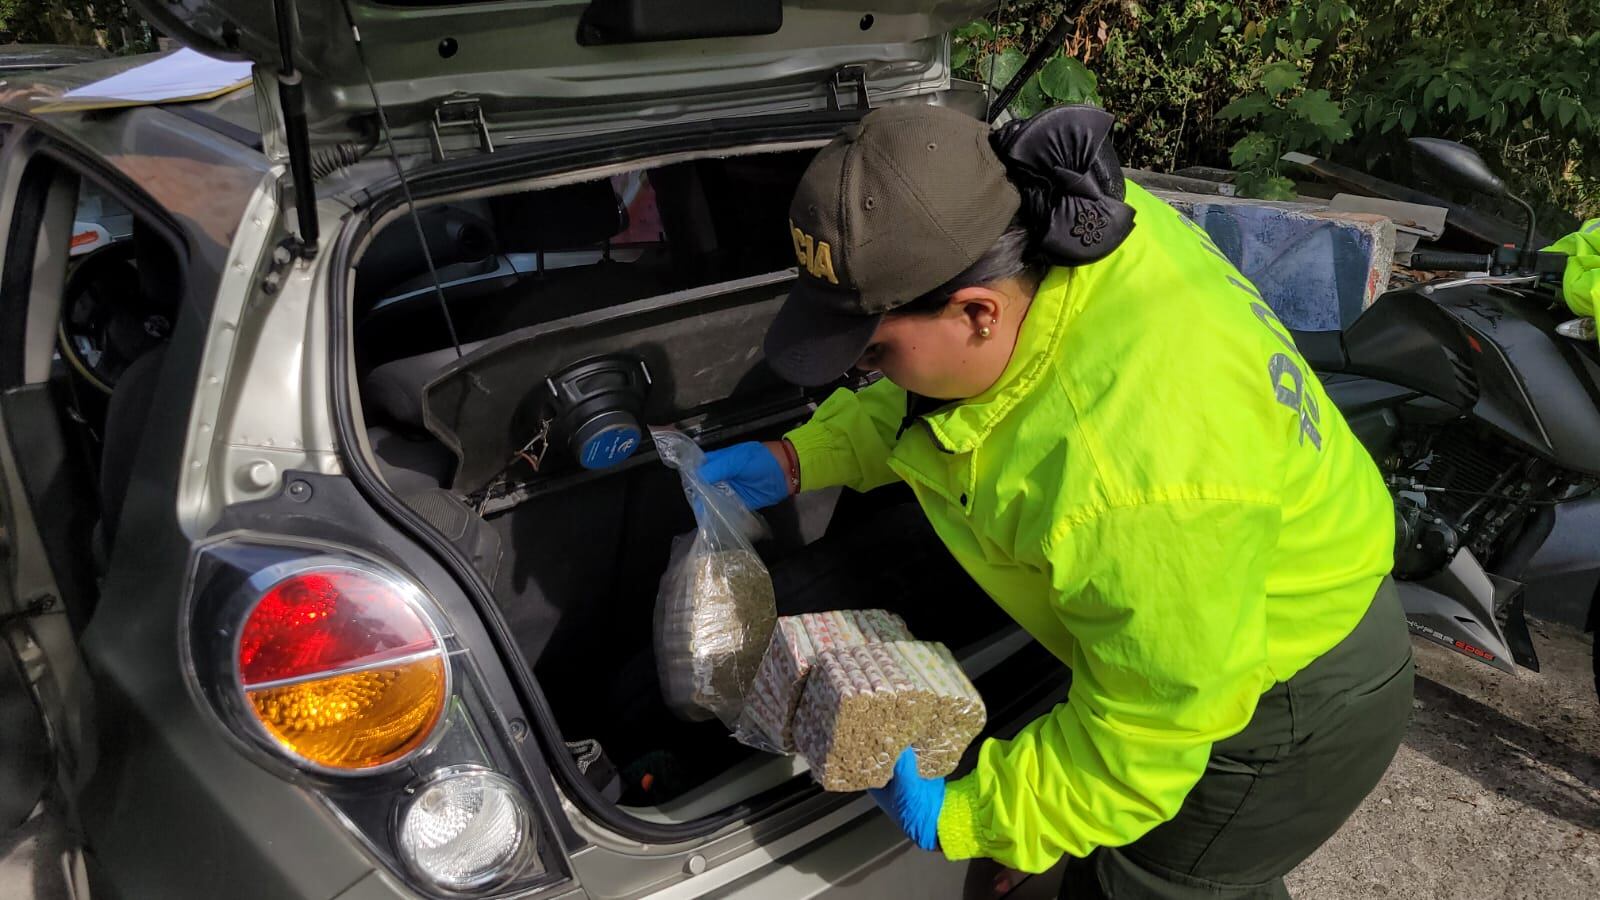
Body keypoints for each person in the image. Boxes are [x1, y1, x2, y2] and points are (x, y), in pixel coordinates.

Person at [698, 103, 1414, 898]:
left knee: (1149, 883)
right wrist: (804, 456)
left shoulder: (1132, 478)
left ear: (979, 311)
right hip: (1200, 607)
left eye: (871, 353)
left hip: (1289, 699)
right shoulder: (1064, 219)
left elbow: (1147, 733)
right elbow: (947, 397)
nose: (861, 372)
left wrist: (980, 817)